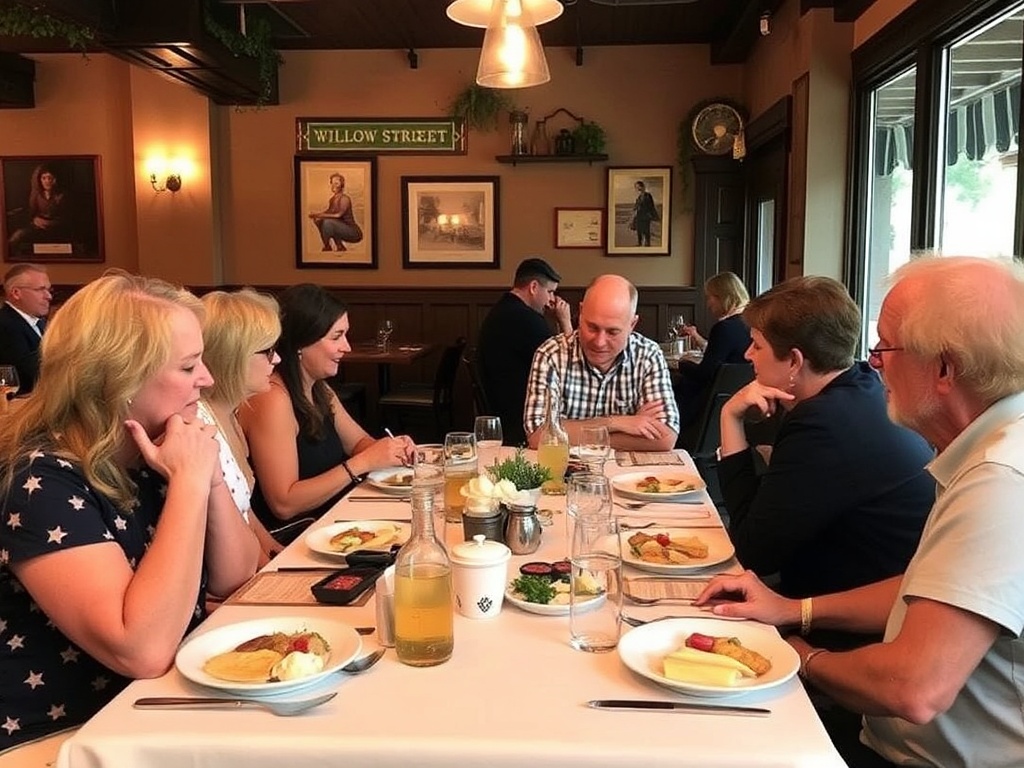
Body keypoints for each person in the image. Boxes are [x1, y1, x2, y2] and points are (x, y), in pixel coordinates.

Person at [696, 256, 1024, 768]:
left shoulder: (1001, 480)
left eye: (885, 346)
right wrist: (792, 610)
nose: (872, 362)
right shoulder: (987, 449)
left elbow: (914, 689)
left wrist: (799, 657)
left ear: (944, 368)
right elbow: (925, 587)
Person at [0, 271, 259, 755]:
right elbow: (140, 648)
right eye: (188, 366)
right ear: (118, 378)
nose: (207, 378)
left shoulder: (149, 452)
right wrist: (186, 483)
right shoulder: (40, 479)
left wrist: (209, 476)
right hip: (61, 739)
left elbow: (238, 577)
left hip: (148, 712)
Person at [716, 275, 934, 604]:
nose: (748, 355)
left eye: (757, 345)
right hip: (882, 596)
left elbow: (751, 552)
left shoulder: (823, 424)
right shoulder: (865, 385)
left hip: (851, 625)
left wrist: (730, 417)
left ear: (794, 361)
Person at [240, 283, 415, 544]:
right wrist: (364, 462)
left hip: (331, 525)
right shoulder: (273, 399)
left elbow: (358, 443)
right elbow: (284, 504)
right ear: (301, 342)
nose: (347, 347)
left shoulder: (319, 389)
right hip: (296, 539)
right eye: (336, 337)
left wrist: (391, 448)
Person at [524, 274, 679, 451]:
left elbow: (666, 437)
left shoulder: (648, 355)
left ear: (632, 324)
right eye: (592, 327)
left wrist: (568, 433)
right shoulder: (551, 354)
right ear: (581, 313)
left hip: (629, 477)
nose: (599, 342)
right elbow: (537, 436)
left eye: (612, 332)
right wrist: (616, 423)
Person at [197, 289, 285, 568]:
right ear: (232, 357)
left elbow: (243, 509)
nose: (277, 360)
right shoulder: (201, 428)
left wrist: (277, 552)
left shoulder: (231, 412)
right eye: (267, 351)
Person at [477, 257, 572, 446]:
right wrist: (565, 321)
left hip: (502, 407)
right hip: (520, 419)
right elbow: (568, 365)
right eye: (550, 292)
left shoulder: (505, 309)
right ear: (534, 287)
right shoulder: (525, 319)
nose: (552, 300)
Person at [674, 271, 753, 437]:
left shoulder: (724, 328)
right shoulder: (752, 322)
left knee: (675, 384)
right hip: (743, 399)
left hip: (710, 406)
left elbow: (705, 374)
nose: (709, 304)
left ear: (723, 297)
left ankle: (672, 436)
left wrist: (680, 364)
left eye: (711, 297)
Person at [0, 264, 52, 395]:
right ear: (16, 293)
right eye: (41, 289)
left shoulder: (40, 322)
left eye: (48, 290)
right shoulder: (5, 325)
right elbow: (29, 376)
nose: (48, 296)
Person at [7, 164, 71, 247]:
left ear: (55, 180)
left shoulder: (61, 196)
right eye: (44, 178)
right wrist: (36, 220)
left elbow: (65, 218)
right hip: (37, 226)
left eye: (49, 178)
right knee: (17, 236)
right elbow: (32, 213)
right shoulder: (37, 195)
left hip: (56, 228)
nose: (47, 181)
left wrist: (49, 223)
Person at [308, 173, 363, 252]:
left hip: (353, 232)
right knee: (319, 220)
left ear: (342, 185)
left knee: (328, 223)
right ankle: (339, 246)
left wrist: (318, 214)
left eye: (336, 183)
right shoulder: (332, 199)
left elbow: (338, 215)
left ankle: (327, 247)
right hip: (341, 228)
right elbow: (328, 213)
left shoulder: (345, 199)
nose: (333, 186)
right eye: (332, 183)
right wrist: (317, 216)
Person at [629, 180, 659, 247]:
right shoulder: (639, 197)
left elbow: (651, 206)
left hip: (646, 216)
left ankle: (647, 244)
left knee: (646, 231)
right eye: (636, 187)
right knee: (639, 230)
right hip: (639, 216)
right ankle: (639, 243)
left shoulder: (648, 195)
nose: (637, 189)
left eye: (638, 187)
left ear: (642, 187)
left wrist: (652, 215)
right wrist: (634, 212)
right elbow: (636, 207)